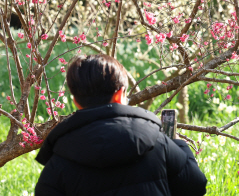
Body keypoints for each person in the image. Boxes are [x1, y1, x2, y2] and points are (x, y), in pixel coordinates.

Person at [35, 54, 207, 196]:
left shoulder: (60, 160)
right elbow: (195, 186)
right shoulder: (157, 142)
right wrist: (178, 143)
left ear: (76, 102)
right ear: (120, 95)